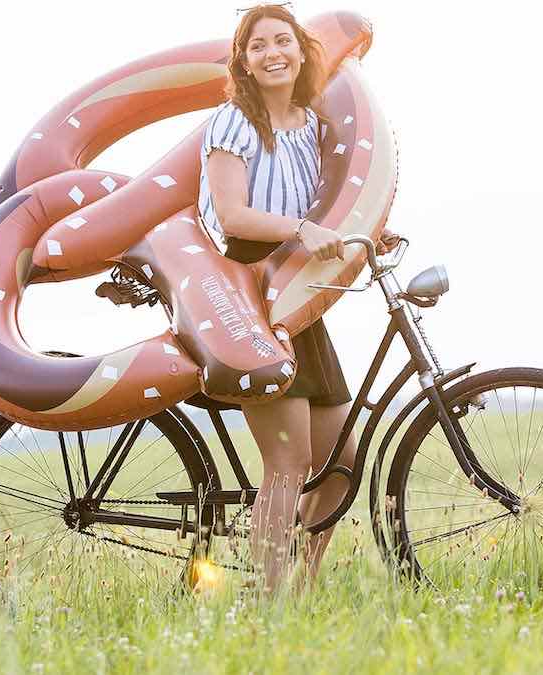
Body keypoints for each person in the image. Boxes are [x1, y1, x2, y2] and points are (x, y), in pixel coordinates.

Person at [198, 4, 399, 591]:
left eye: (282, 40)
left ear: (301, 50)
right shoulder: (231, 121)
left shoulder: (310, 125)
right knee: (286, 463)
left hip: (297, 297)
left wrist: (363, 231)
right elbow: (233, 215)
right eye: (258, 45)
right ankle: (269, 601)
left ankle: (302, 588)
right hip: (245, 293)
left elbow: (320, 208)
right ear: (244, 61)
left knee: (340, 459)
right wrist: (299, 230)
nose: (272, 53)